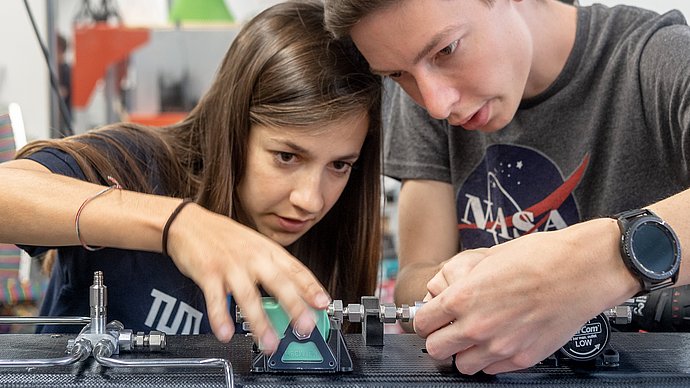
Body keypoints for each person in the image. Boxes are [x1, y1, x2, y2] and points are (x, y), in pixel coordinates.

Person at [324, 0, 690, 375]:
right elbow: (414, 279)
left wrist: (585, 266)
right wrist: (474, 286)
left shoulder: (659, 57)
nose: (435, 104)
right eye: (397, 74)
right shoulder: (425, 94)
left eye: (446, 50)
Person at [0, 0, 382, 355]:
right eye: (286, 156)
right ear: (233, 128)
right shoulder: (138, 163)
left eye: (339, 165)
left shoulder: (331, 241)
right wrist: (177, 225)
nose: (311, 201)